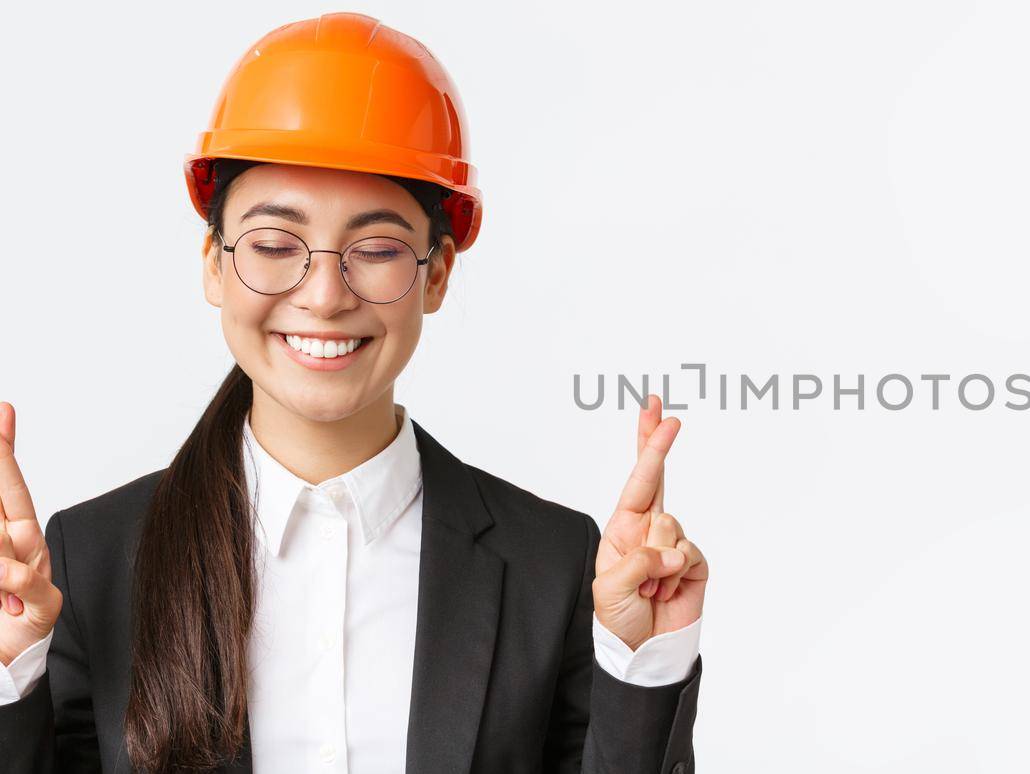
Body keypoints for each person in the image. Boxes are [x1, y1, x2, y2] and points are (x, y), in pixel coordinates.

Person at [0, 12, 707, 774]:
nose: (325, 296)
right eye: (274, 246)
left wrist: (642, 663)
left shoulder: (552, 564)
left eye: (376, 249)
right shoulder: (90, 562)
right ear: (213, 261)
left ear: (436, 275)